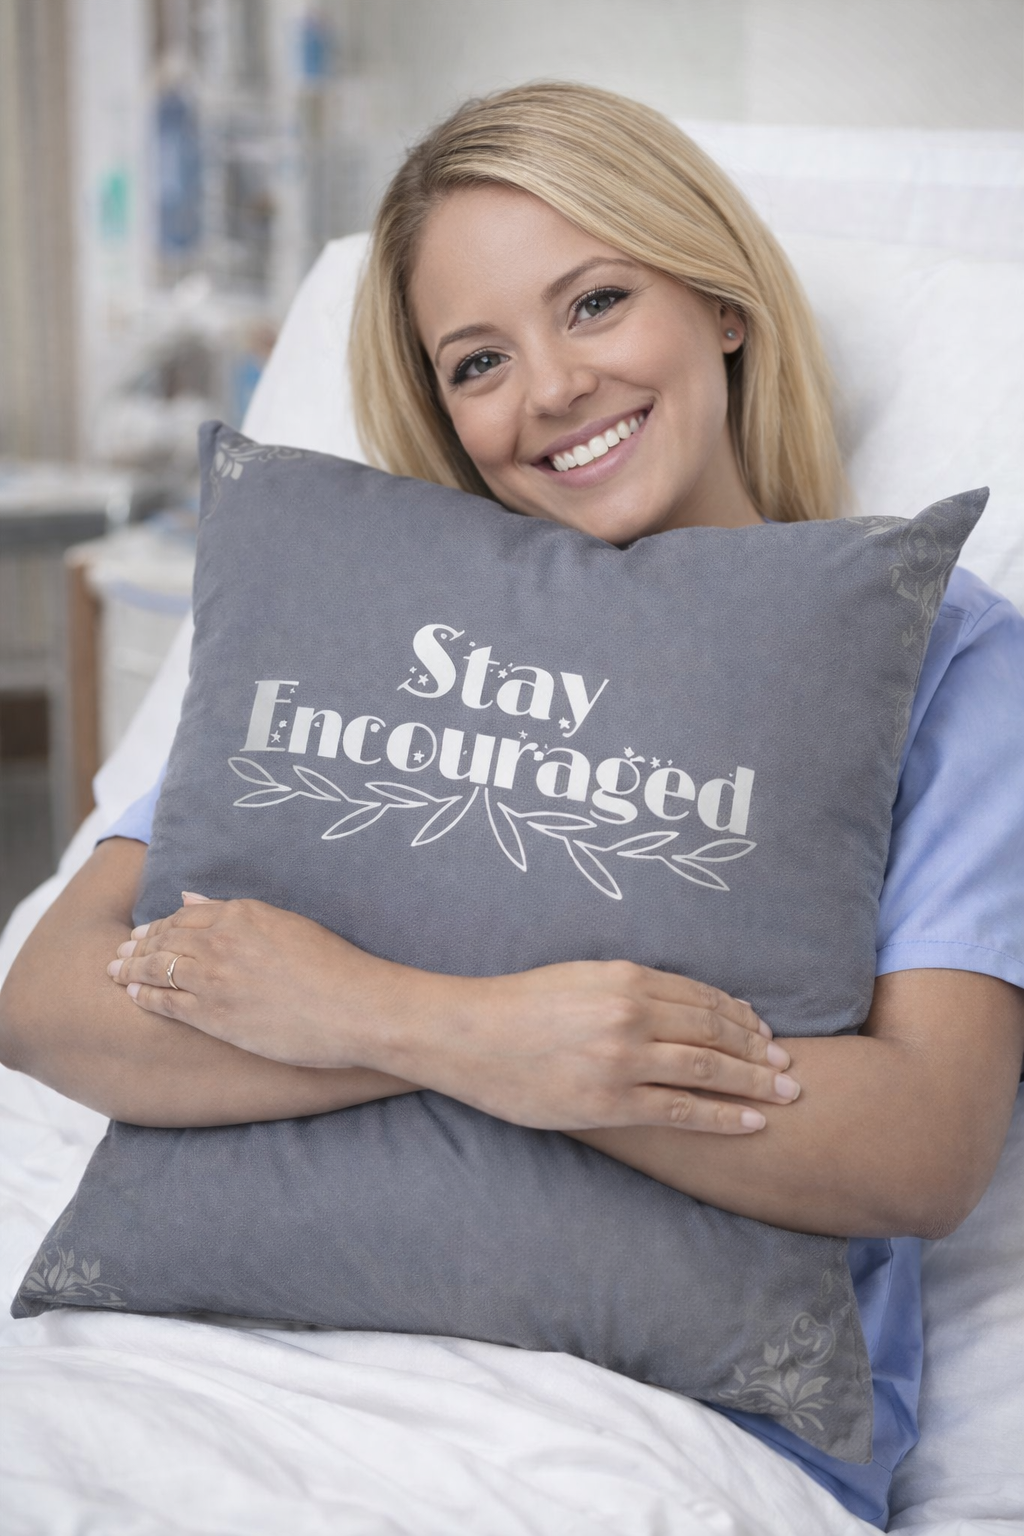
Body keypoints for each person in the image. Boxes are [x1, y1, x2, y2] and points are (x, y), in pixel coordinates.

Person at [2, 83, 1022, 1528]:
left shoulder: (944, 654)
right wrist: (469, 1036)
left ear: (719, 301)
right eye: (478, 360)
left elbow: (922, 1140)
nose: (547, 391)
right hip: (211, 1363)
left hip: (643, 1426)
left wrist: (404, 1018)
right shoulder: (364, 621)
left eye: (596, 302)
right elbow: (49, 997)